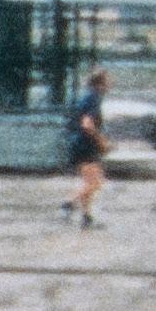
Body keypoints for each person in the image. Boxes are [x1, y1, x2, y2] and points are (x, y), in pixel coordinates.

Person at [63, 68, 110, 228]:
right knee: (96, 183)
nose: (110, 84)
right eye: (108, 81)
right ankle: (68, 202)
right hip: (86, 144)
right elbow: (87, 124)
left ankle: (86, 216)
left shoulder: (87, 97)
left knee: (89, 182)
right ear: (100, 83)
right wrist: (101, 140)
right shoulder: (94, 99)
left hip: (80, 143)